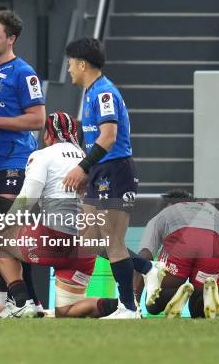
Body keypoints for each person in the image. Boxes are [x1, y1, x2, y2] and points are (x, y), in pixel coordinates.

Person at [62, 37, 165, 319]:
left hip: (115, 171)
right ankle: (147, 268)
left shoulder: (104, 93)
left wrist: (82, 167)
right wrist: (89, 172)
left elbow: (108, 137)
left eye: (71, 63)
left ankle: (128, 308)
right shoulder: (92, 92)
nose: (69, 69)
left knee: (112, 239)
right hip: (101, 172)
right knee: (89, 239)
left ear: (82, 64)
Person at [0, 112, 123, 318]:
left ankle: (20, 303)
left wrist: (6, 222)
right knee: (66, 312)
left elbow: (29, 197)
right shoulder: (88, 158)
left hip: (56, 238)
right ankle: (122, 306)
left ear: (47, 136)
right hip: (86, 244)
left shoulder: (43, 155)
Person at [0, 10, 46, 313]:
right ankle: (26, 301)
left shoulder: (23, 73)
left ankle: (24, 299)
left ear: (11, 39)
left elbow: (38, 119)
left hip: (13, 160)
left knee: (3, 232)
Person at [134, 190, 219, 319]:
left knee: (152, 304)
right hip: (212, 243)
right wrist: (218, 300)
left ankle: (176, 292)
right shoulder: (214, 212)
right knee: (199, 312)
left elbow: (144, 256)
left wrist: (133, 305)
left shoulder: (163, 213)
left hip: (182, 242)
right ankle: (208, 296)